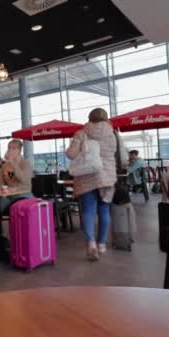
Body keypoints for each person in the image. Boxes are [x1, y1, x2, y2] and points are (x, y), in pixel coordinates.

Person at [66, 108, 126, 261]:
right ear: (106, 118)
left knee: (88, 211)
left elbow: (71, 154)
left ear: (89, 117)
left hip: (87, 176)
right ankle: (101, 244)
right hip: (107, 177)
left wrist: (80, 151)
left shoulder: (81, 133)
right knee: (104, 209)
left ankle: (91, 243)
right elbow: (124, 159)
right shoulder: (114, 134)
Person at [0, 139, 34, 214]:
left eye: (14, 148)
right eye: (9, 148)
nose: (10, 150)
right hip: (10, 196)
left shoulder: (25, 163)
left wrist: (13, 162)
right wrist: (3, 190)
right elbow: (1, 184)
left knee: (11, 205)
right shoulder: (4, 166)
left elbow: (23, 180)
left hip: (24, 195)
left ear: (19, 151)